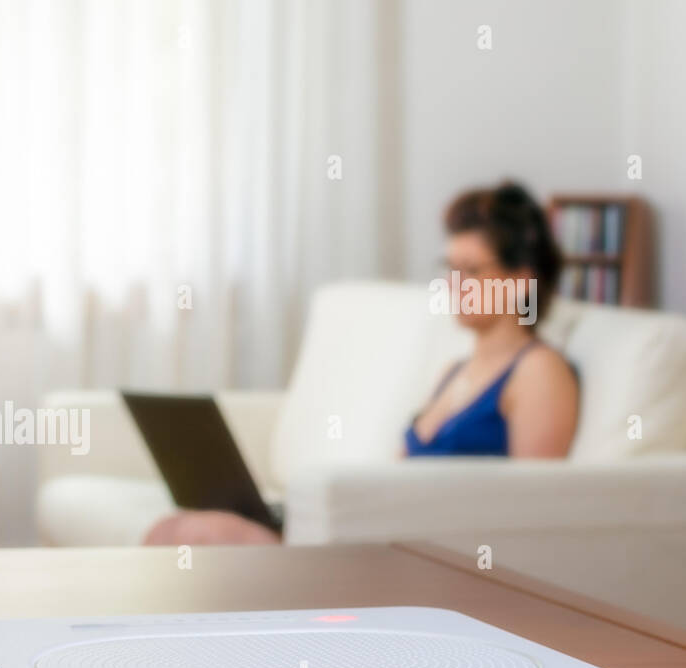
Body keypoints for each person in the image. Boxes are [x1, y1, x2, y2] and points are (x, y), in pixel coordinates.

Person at [145, 181, 579, 547]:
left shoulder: (538, 372)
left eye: (471, 271)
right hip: (383, 537)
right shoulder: (454, 372)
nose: (454, 285)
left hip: (429, 554)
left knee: (196, 533)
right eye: (450, 269)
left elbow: (533, 513)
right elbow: (397, 479)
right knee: (176, 527)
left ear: (523, 278)